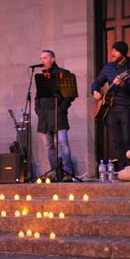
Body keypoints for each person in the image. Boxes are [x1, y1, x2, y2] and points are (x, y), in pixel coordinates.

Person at [92, 41, 130, 172]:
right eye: (112, 50)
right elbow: (97, 82)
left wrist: (123, 84)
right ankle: (121, 169)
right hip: (110, 110)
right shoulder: (108, 67)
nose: (112, 53)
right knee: (116, 141)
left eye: (115, 51)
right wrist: (95, 91)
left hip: (126, 108)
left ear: (122, 52)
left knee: (128, 138)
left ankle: (129, 169)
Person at [35, 50, 75, 182]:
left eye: (45, 58)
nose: (42, 60)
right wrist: (38, 110)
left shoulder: (63, 73)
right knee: (48, 146)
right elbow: (37, 96)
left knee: (63, 143)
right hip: (44, 117)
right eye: (41, 58)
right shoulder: (42, 76)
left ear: (52, 59)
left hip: (58, 114)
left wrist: (62, 108)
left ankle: (67, 172)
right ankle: (53, 172)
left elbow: (70, 95)